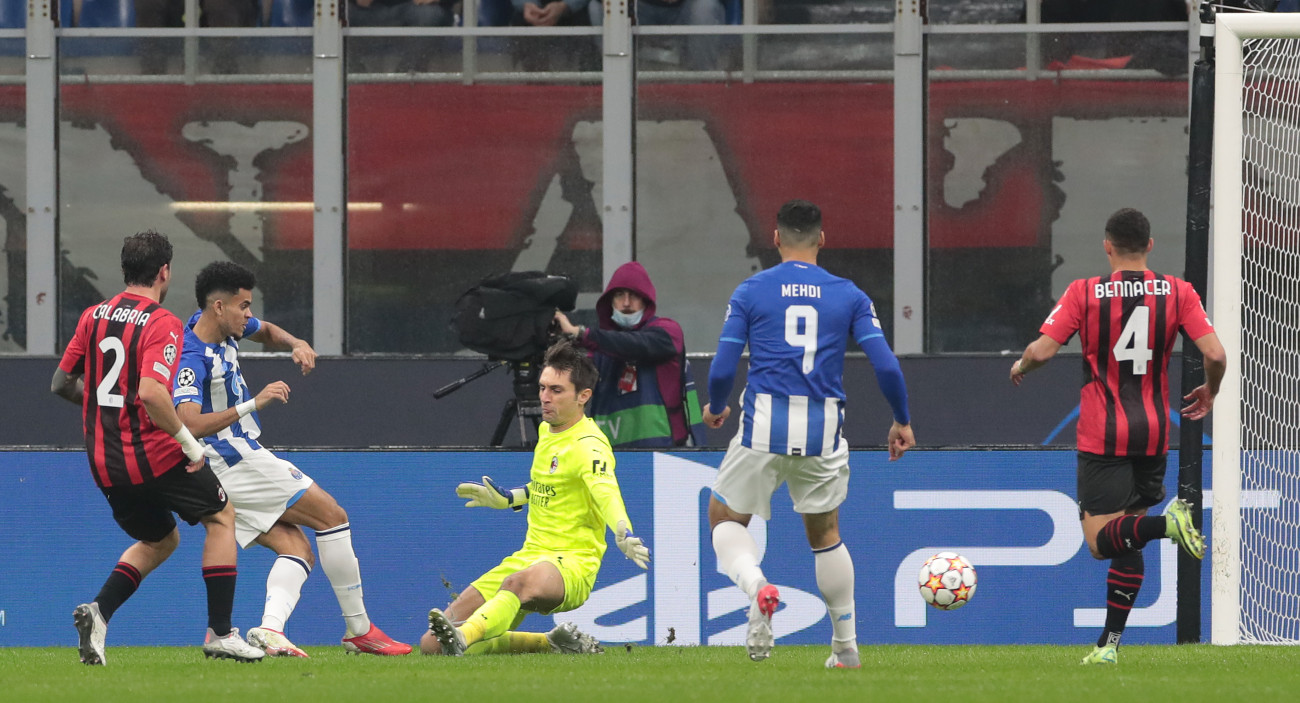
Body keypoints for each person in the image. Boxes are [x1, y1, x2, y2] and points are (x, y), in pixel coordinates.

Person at [702, 199, 914, 668]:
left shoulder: (752, 290)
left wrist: (716, 407)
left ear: (776, 238)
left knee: (724, 519)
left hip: (763, 427)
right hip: (822, 431)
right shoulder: (850, 295)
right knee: (826, 534)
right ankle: (846, 648)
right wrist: (901, 419)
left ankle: (758, 587)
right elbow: (886, 365)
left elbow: (722, 367)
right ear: (822, 239)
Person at [1009, 207, 1225, 665]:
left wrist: (1022, 365)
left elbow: (1044, 350)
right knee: (1129, 535)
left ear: (1107, 245)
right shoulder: (1178, 291)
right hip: (1152, 432)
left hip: (1103, 435)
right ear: (1149, 246)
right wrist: (1212, 389)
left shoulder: (1084, 291)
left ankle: (1170, 523)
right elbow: (1216, 353)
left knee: (1099, 541)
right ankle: (1108, 646)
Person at [173, 261, 411, 657]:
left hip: (230, 464)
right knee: (333, 517)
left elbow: (264, 330)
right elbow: (188, 423)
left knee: (296, 548)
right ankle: (359, 629)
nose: (249, 314)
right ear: (219, 307)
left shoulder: (214, 322)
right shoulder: (192, 357)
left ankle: (270, 630)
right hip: (231, 458)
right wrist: (254, 402)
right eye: (243, 306)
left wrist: (296, 342)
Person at [51, 231, 264, 665]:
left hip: (105, 462)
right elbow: (151, 393)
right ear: (164, 271)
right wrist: (190, 445)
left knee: (160, 538)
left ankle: (100, 611)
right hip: (154, 453)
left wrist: (105, 406)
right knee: (221, 516)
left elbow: (60, 383)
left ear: (125, 267)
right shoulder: (162, 322)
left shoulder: (92, 317)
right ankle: (221, 633)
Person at [422, 340, 648, 657]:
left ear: (583, 396)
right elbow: (546, 485)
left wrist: (622, 530)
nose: (544, 397)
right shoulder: (547, 430)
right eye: (543, 387)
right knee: (431, 646)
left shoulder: (589, 445)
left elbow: (604, 490)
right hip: (529, 556)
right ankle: (551, 643)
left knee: (515, 586)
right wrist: (509, 498)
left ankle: (464, 637)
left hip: (571, 565)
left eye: (556, 390)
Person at [554, 261, 706, 448]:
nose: (626, 303)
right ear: (610, 302)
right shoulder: (600, 345)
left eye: (634, 295)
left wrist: (580, 333)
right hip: (609, 453)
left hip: (666, 453)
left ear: (646, 300)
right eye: (619, 295)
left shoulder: (667, 331)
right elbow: (574, 376)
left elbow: (634, 344)